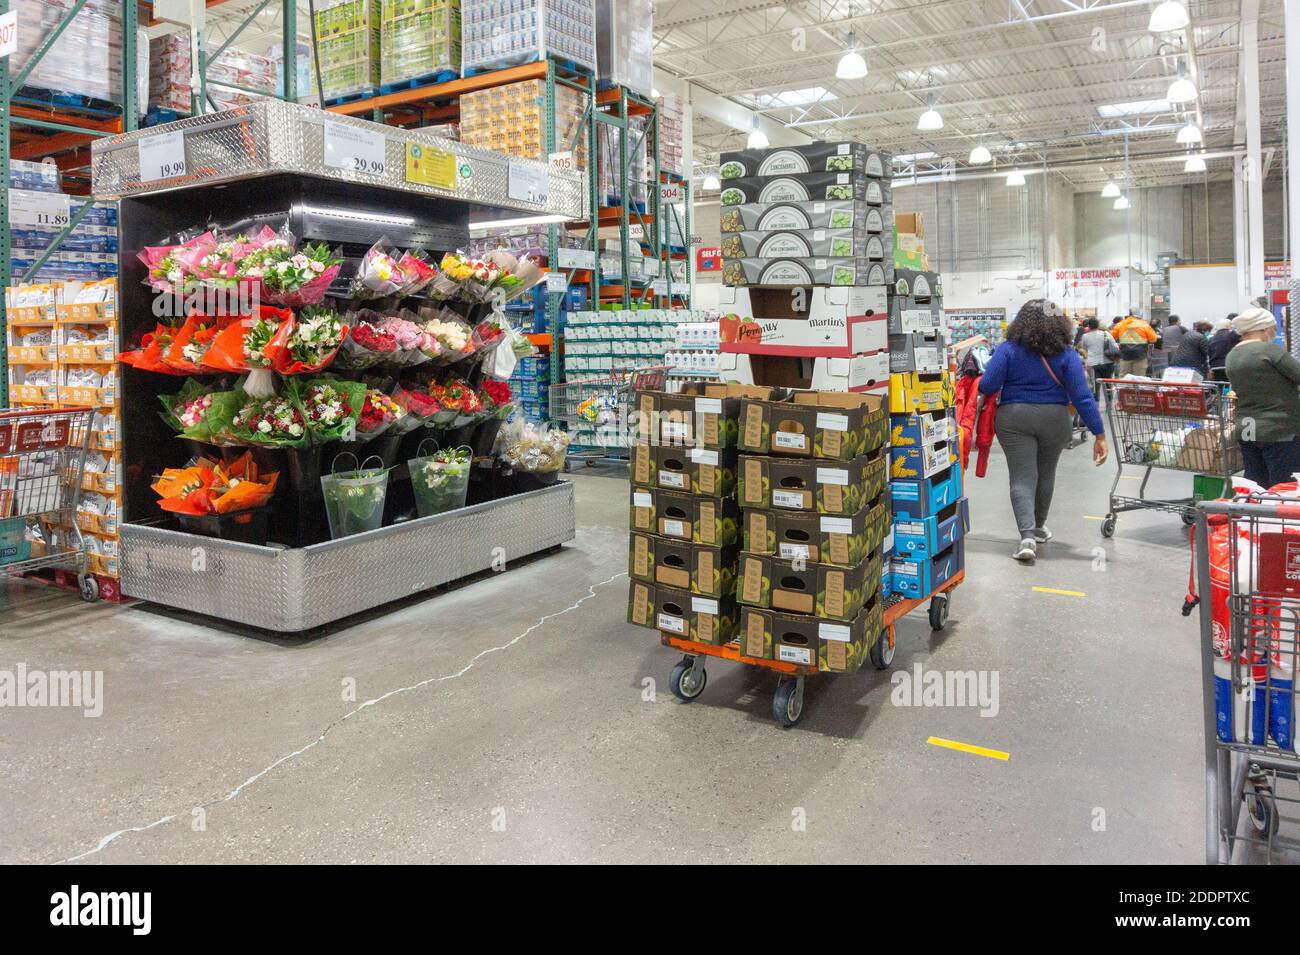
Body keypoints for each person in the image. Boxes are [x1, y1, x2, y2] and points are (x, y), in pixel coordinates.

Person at [978, 299, 1108, 563]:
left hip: (1014, 419)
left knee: (1022, 477)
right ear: (1059, 322)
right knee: (1045, 474)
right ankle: (1038, 526)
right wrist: (1099, 434)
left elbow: (988, 384)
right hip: (1055, 419)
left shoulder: (1008, 349)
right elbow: (1082, 396)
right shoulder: (1067, 354)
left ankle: (1026, 537)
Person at [1225, 306, 1300, 488]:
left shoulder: (1232, 355)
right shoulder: (1269, 351)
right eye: (1274, 328)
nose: (1275, 332)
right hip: (1277, 428)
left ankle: (1257, 516)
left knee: (1256, 486)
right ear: (1264, 329)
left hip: (1247, 427)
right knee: (1284, 487)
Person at [1078, 316, 1118, 401]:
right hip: (1108, 362)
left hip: (1093, 364)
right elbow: (1115, 347)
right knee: (1108, 384)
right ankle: (1109, 404)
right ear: (1098, 325)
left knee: (1095, 386)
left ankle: (1096, 404)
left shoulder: (1085, 336)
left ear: (1089, 326)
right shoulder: (1106, 334)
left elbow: (1085, 349)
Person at [1110, 311, 1159, 376]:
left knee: (1124, 378)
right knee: (1139, 378)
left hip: (1125, 355)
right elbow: (1153, 339)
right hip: (1140, 355)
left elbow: (1111, 337)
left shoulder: (1120, 324)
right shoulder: (1144, 325)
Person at [1207, 315, 1239, 382]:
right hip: (1228, 366)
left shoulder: (1211, 339)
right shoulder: (1232, 334)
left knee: (1219, 387)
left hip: (1215, 367)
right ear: (1228, 326)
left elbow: (1209, 354)